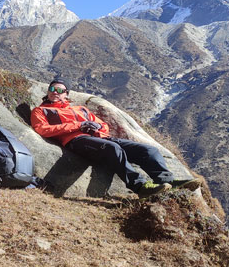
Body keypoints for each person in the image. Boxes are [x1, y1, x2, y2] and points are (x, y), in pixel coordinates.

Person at [30, 78, 200, 198]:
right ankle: (140, 187)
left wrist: (96, 128)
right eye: (52, 89)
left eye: (60, 90)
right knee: (113, 149)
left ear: (67, 94)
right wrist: (78, 126)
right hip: (76, 141)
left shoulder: (81, 109)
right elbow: (42, 129)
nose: (55, 93)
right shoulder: (41, 110)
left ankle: (168, 182)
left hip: (100, 139)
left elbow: (104, 125)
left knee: (147, 150)